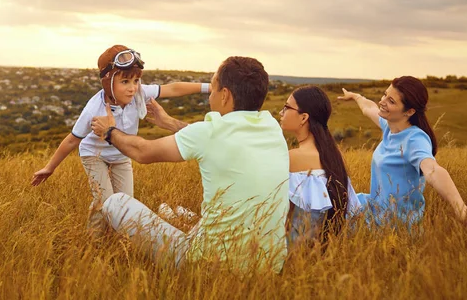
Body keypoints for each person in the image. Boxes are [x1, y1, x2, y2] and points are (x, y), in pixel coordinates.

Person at [91, 56, 290, 273]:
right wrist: (169, 123)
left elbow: (142, 152)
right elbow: (214, 140)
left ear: (225, 96)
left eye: (213, 89)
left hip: (205, 267)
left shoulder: (210, 133)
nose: (210, 96)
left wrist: (110, 131)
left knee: (116, 202)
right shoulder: (272, 128)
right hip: (269, 266)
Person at [31, 45, 209, 230]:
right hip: (94, 154)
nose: (133, 88)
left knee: (126, 204)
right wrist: (49, 168)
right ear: (108, 82)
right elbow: (72, 140)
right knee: (105, 201)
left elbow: (172, 89)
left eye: (136, 80)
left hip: (121, 155)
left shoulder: (139, 93)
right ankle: (96, 241)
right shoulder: (94, 109)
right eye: (125, 82)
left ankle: (118, 239)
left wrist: (211, 87)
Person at [339, 76, 467, 232]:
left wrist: (463, 211)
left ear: (409, 111)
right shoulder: (391, 125)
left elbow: (433, 170)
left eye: (391, 101)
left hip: (394, 223)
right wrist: (355, 96)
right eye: (384, 95)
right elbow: (369, 108)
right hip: (376, 207)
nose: (382, 102)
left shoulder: (415, 139)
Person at [278, 85, 361, 247]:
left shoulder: (291, 158)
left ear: (304, 118)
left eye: (287, 107)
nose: (281, 112)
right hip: (324, 252)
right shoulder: (333, 157)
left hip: (292, 254)